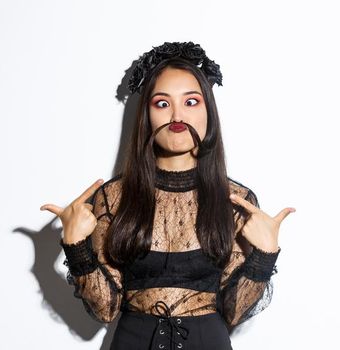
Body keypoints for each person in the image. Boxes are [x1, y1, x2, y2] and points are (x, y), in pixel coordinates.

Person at [40, 41, 295, 350]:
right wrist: (75, 247)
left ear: (208, 111)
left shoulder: (237, 201)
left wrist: (264, 257)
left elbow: (235, 311)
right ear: (146, 114)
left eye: (191, 102)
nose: (177, 114)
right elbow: (104, 310)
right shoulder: (113, 197)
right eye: (162, 103)